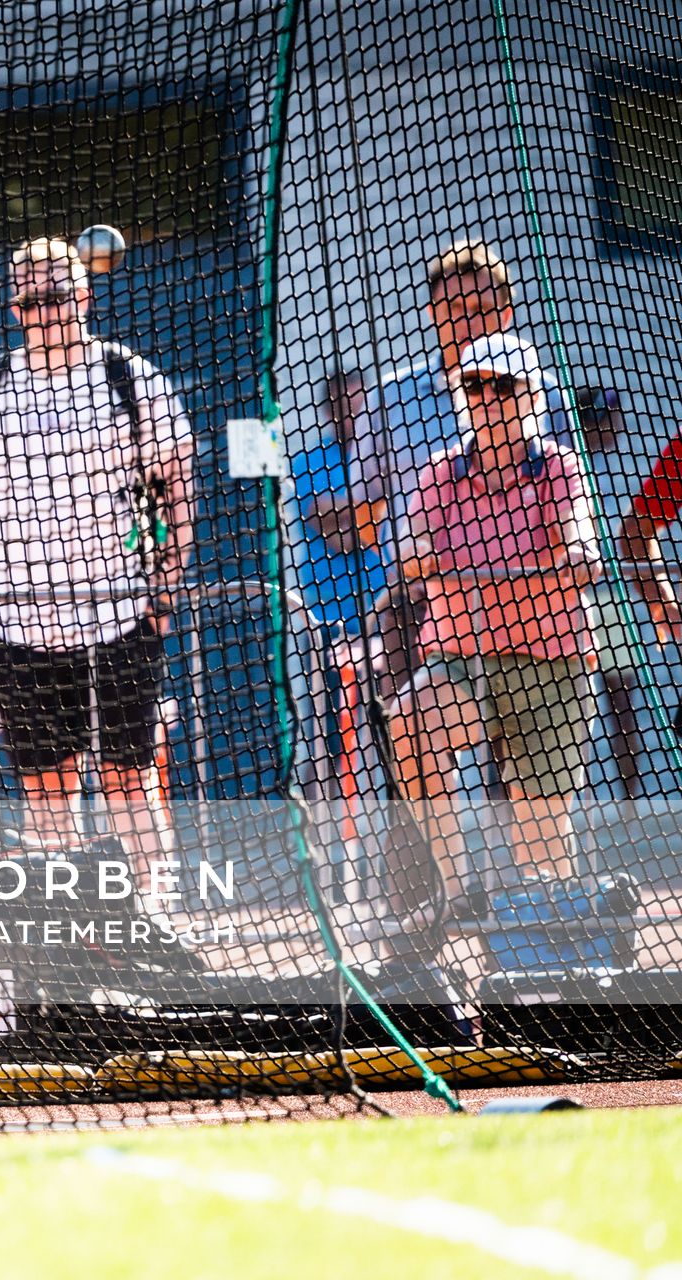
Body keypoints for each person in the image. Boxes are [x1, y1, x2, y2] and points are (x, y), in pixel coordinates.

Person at [0, 237, 194, 885]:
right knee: (47, 787)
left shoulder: (128, 377)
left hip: (118, 611)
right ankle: (73, 927)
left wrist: (165, 588)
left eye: (55, 295)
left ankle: (149, 914)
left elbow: (177, 484)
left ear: (83, 295)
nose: (43, 309)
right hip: (22, 623)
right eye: (29, 300)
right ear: (16, 307)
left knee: (127, 778)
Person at [390, 334, 600, 922]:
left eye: (502, 385)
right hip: (461, 654)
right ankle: (458, 894)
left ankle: (557, 934)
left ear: (531, 395)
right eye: (474, 385)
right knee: (409, 720)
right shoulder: (442, 473)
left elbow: (578, 544)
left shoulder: (558, 466)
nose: (487, 396)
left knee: (541, 842)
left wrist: (572, 552)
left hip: (548, 660)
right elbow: (412, 549)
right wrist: (421, 555)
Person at [352, 239, 572, 577]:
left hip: (533, 605)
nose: (468, 322)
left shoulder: (546, 393)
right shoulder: (389, 397)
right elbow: (365, 507)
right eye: (454, 308)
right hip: (417, 600)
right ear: (432, 314)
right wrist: (407, 559)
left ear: (506, 314)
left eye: (482, 309)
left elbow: (571, 498)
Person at [569, 388, 660, 815]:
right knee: (573, 706)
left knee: (621, 699)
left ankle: (628, 803)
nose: (614, 426)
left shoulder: (628, 466)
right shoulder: (571, 463)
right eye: (607, 419)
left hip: (616, 595)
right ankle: (582, 802)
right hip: (581, 596)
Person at [290, 366, 386, 638]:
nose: (355, 416)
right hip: (329, 618)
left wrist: (349, 513)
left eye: (361, 405)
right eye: (345, 407)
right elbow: (339, 538)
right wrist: (377, 507)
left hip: (387, 610)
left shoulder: (387, 454)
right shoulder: (309, 463)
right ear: (328, 412)